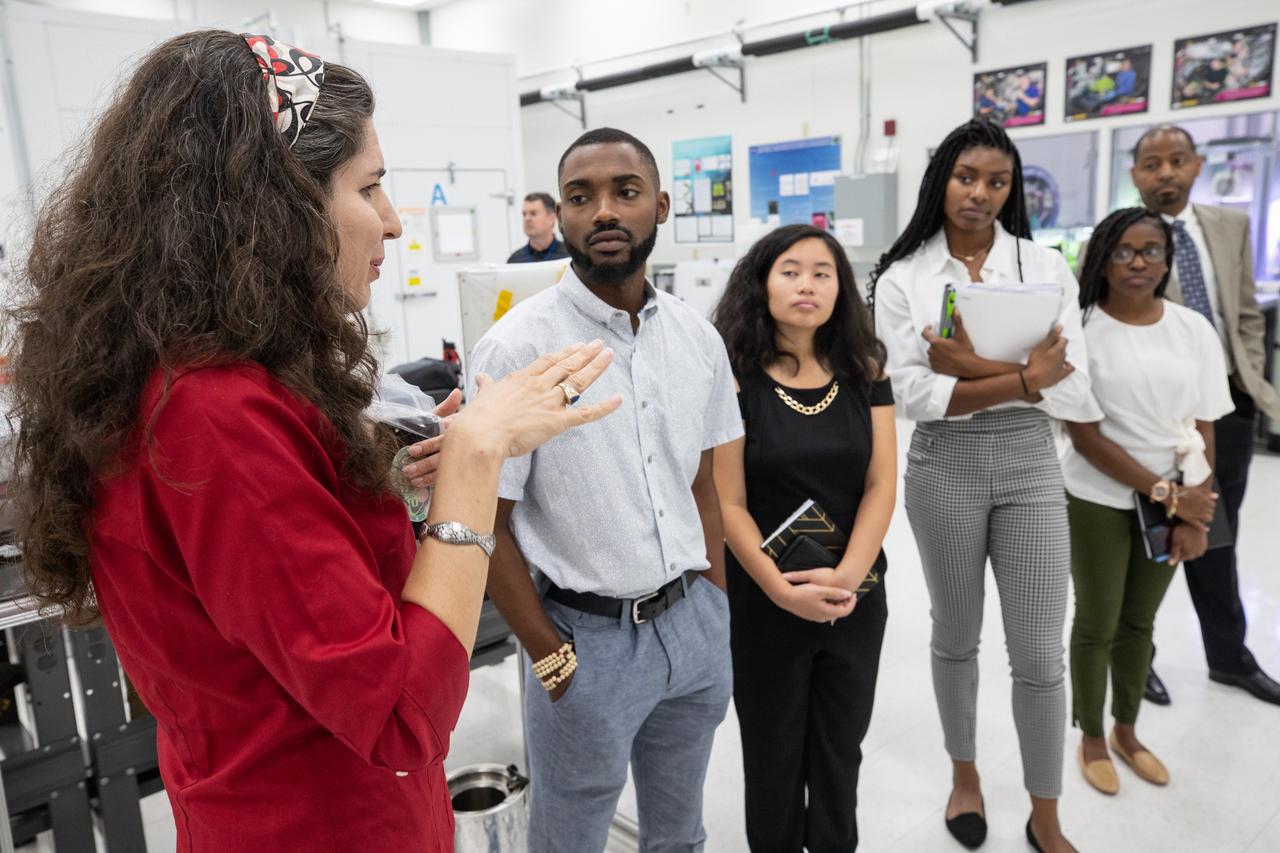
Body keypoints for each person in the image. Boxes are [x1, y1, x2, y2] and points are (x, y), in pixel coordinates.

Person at [5, 30, 621, 852]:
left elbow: (273, 570)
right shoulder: (213, 415)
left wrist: (395, 475)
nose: (395, 223)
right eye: (370, 189)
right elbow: (402, 714)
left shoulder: (189, 381)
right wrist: (476, 458)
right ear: (278, 205)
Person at [471, 127, 742, 853]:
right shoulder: (515, 348)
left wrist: (714, 605)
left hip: (692, 623)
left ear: (661, 204)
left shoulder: (696, 338)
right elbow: (481, 521)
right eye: (580, 197)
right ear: (559, 218)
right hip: (584, 642)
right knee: (568, 838)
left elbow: (702, 485)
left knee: (679, 833)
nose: (604, 212)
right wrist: (549, 656)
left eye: (625, 192)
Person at [872, 118, 1101, 853]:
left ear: (1012, 188)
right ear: (941, 178)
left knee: (1039, 652)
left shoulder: (1044, 268)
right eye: (965, 176)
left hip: (1032, 464)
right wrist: (1028, 375)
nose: (979, 193)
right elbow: (912, 395)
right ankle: (964, 775)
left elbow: (1076, 392)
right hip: (944, 466)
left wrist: (974, 369)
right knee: (955, 636)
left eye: (996, 181)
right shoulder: (904, 276)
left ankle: (1047, 810)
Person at [712, 224, 896, 851]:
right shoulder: (735, 378)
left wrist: (847, 576)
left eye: (822, 271)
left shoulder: (866, 369)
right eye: (791, 270)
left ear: (840, 287)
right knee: (772, 758)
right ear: (762, 283)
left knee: (841, 751)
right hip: (766, 602)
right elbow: (729, 503)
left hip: (856, 595)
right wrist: (781, 591)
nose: (807, 284)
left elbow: (881, 485)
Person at [1063, 207, 1232, 796]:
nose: (1139, 263)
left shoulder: (1193, 329)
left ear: (1167, 258)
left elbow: (1205, 425)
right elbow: (1084, 436)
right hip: (1096, 499)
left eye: (1152, 250)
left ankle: (1126, 731)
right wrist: (1168, 496)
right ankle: (1089, 735)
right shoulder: (1080, 330)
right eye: (1124, 251)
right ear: (1102, 259)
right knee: (1097, 621)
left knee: (1139, 622)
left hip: (1177, 499)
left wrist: (1198, 511)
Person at [1116, 125, 1280, 706]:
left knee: (1214, 535)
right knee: (1152, 539)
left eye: (1177, 161)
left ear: (1196, 165)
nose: (1166, 173)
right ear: (1134, 174)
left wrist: (1246, 374)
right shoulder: (1120, 239)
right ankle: (1137, 657)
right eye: (1152, 164)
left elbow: (1245, 310)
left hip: (1226, 409)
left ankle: (1229, 658)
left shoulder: (1229, 225)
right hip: (1152, 421)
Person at [508, 191, 569, 263]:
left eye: (533, 213)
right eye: (524, 214)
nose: (527, 219)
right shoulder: (514, 261)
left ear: (551, 218)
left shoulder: (569, 256)